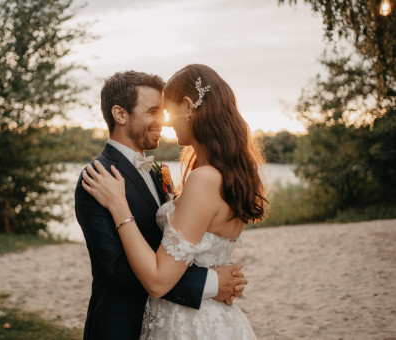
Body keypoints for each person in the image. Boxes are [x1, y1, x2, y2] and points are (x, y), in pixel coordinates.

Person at [81, 64, 266, 339]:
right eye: (153, 111)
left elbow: (161, 268)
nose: (165, 122)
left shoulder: (201, 179)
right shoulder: (99, 179)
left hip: (188, 323)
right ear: (120, 114)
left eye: (165, 111)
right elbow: (119, 269)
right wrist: (211, 282)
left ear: (190, 107)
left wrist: (120, 207)